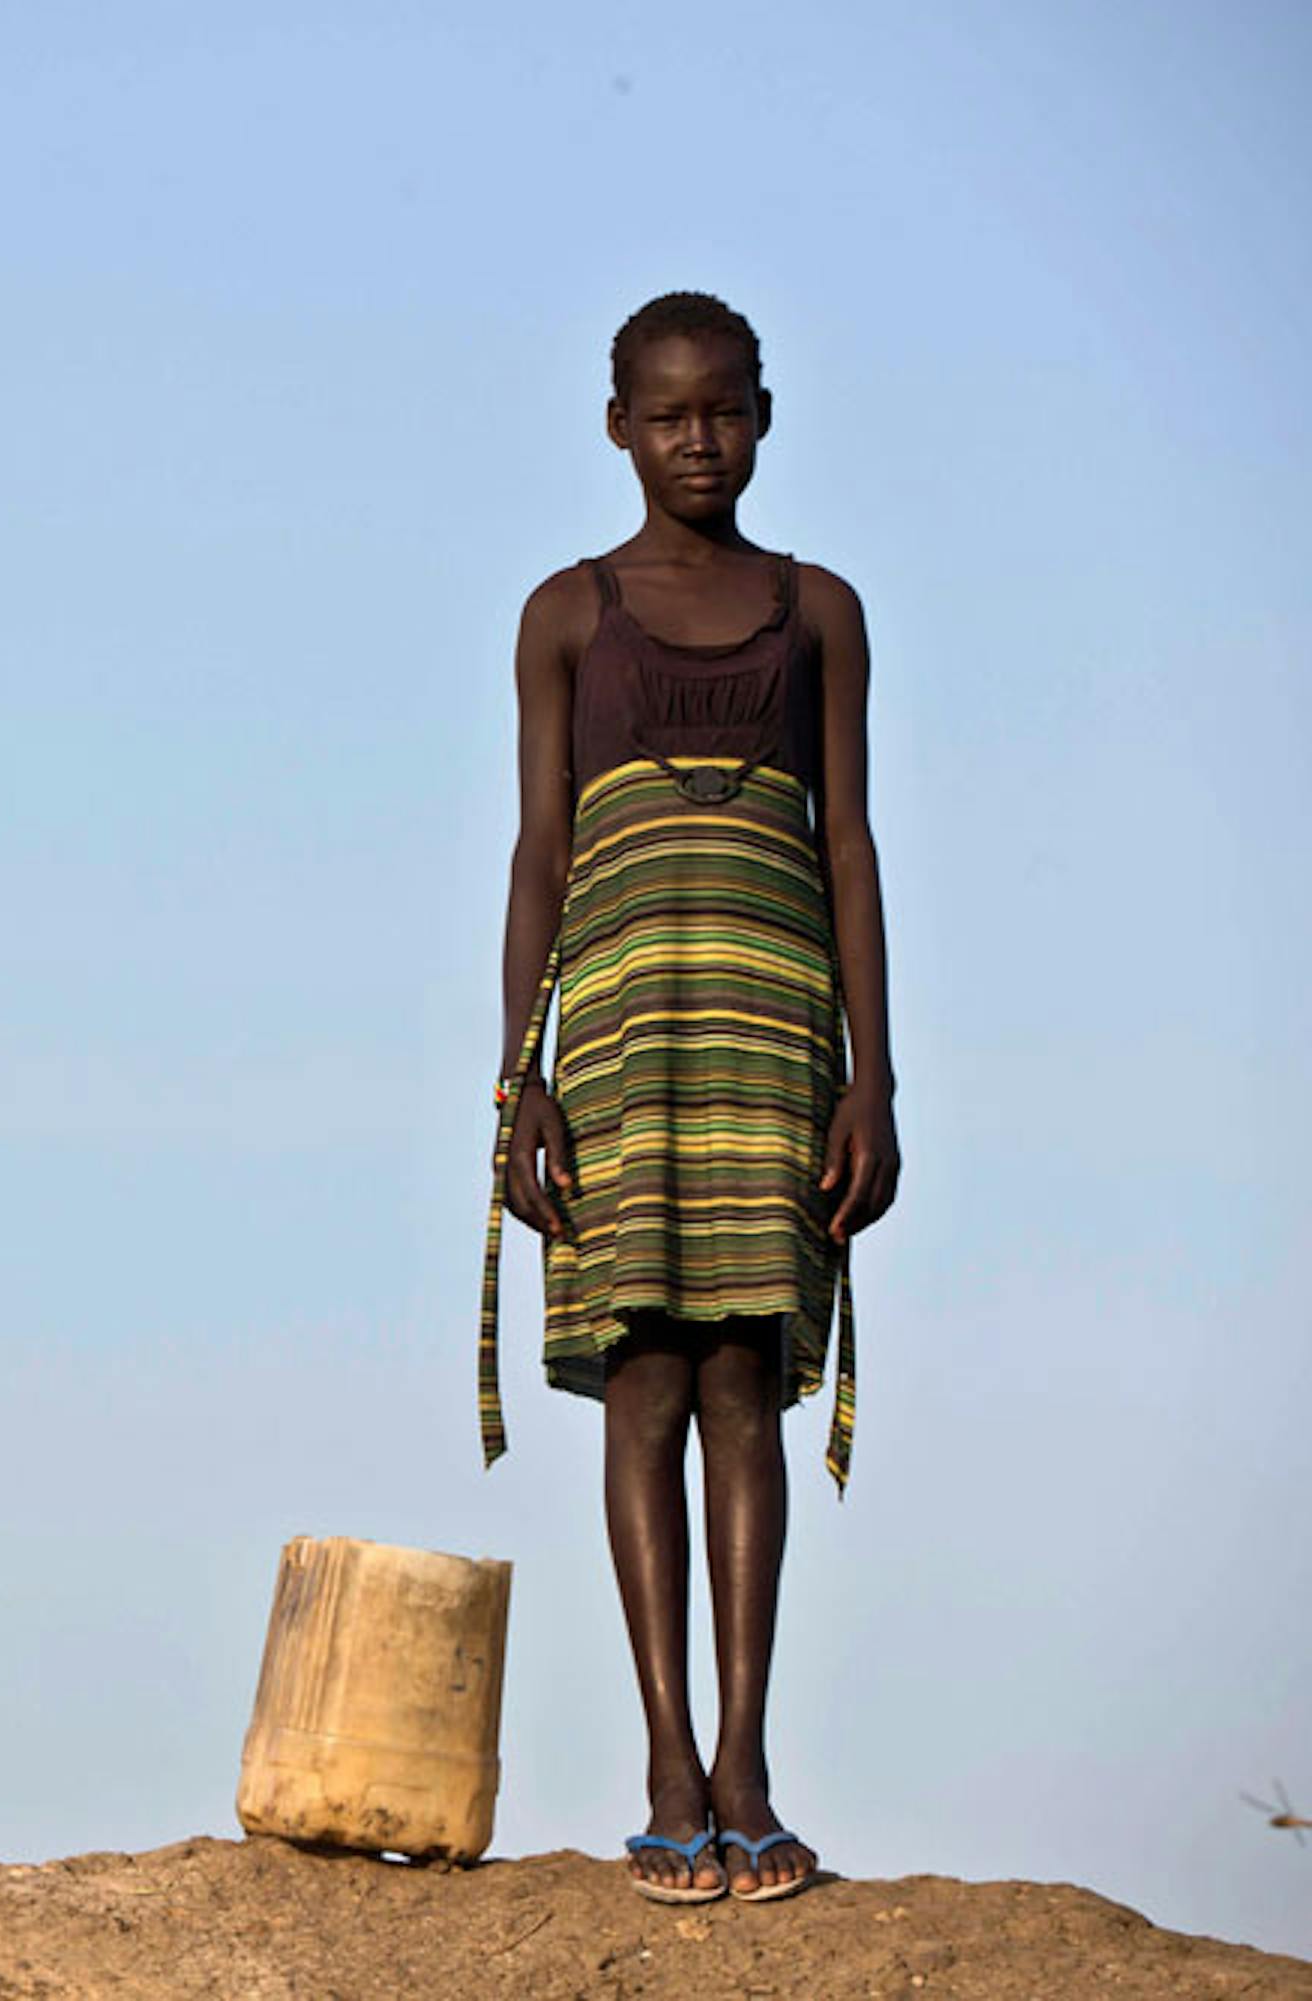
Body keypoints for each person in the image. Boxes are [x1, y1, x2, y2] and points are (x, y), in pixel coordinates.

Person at [476, 292, 900, 1906]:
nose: (697, 440)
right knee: (643, 1382)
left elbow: (847, 845)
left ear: (765, 414)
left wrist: (874, 1075)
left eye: (722, 411)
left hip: (772, 1045)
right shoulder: (567, 616)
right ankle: (667, 1770)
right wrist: (520, 1075)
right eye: (667, 417)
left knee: (746, 1385)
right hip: (621, 1048)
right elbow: (540, 856)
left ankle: (749, 1767)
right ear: (617, 430)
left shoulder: (821, 610)